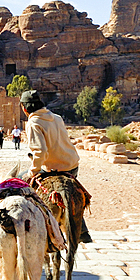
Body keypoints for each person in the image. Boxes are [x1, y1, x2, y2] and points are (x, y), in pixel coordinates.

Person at [20, 90, 92, 244]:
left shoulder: (33, 122)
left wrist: (32, 173)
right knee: (71, 195)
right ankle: (82, 230)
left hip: (53, 168)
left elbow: (40, 152)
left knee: (21, 179)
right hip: (72, 165)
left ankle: (36, 225)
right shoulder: (57, 118)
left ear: (24, 108)